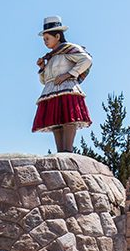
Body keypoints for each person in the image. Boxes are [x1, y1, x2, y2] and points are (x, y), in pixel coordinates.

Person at [32, 16, 93, 153]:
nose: (45, 42)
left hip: (67, 88)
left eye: (47, 38)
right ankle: (61, 151)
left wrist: (69, 74)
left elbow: (87, 59)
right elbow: (44, 81)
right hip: (51, 90)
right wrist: (42, 68)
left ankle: (68, 150)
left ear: (57, 36)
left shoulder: (69, 49)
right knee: (55, 122)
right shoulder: (51, 57)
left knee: (68, 118)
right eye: (44, 39)